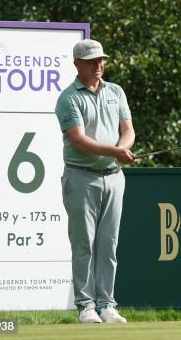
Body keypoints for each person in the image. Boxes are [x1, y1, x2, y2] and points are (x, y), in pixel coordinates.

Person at [55, 39, 135, 324]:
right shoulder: (69, 98)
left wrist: (123, 147)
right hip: (81, 177)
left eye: (101, 60)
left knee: (108, 243)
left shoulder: (116, 91)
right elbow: (78, 140)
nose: (98, 65)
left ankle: (107, 305)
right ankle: (85, 306)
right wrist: (116, 151)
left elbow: (127, 130)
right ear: (78, 64)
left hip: (114, 177)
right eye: (92, 61)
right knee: (84, 243)